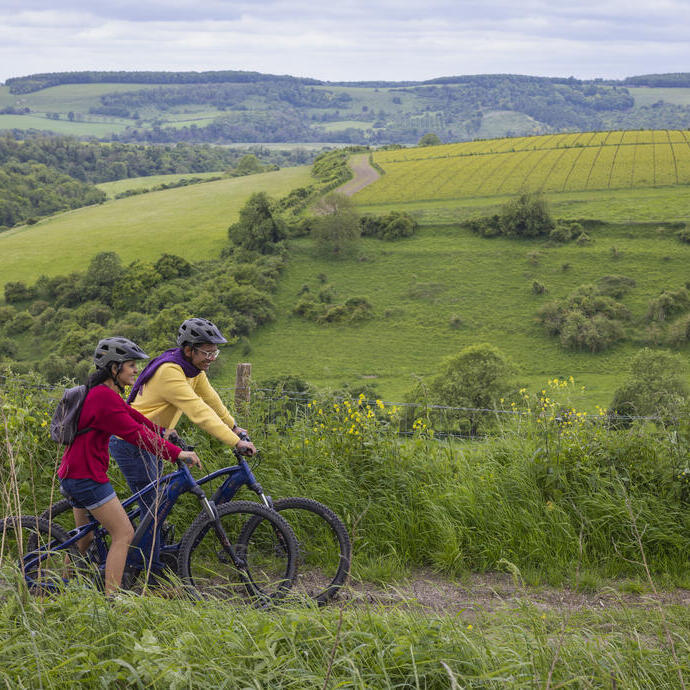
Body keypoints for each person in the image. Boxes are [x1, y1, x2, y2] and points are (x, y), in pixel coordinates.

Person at [57, 336, 201, 597]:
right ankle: (113, 601)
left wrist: (162, 430)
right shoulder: (103, 397)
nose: (136, 370)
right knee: (123, 533)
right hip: (87, 477)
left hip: (73, 474)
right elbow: (135, 434)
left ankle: (60, 588)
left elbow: (133, 417)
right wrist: (177, 454)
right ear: (114, 368)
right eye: (131, 365)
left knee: (84, 537)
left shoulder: (102, 393)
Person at [109, 317, 255, 572]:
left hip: (154, 440)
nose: (212, 357)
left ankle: (147, 562)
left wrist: (233, 426)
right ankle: (145, 574)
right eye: (207, 352)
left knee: (156, 507)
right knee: (153, 512)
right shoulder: (171, 371)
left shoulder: (192, 370)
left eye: (214, 352)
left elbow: (210, 399)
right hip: (133, 443)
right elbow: (198, 411)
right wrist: (234, 441)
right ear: (188, 349)